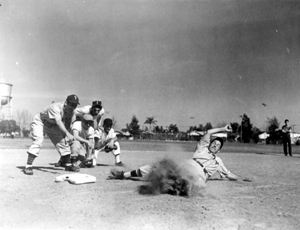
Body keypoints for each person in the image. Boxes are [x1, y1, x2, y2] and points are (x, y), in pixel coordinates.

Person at [108, 125, 252, 196]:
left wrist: (242, 179)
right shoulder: (202, 148)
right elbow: (208, 133)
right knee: (158, 167)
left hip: (200, 175)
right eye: (214, 143)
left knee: (200, 186)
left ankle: (174, 185)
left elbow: (228, 174)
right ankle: (124, 175)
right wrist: (223, 129)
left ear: (219, 150)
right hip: (186, 166)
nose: (214, 145)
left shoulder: (218, 162)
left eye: (217, 146)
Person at [23, 94, 80, 175]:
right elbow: (58, 121)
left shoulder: (72, 111)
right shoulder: (55, 107)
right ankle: (28, 166)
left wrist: (65, 135)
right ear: (66, 103)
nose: (73, 107)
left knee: (63, 142)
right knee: (38, 141)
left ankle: (68, 165)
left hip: (53, 125)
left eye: (75, 105)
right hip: (40, 122)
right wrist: (67, 133)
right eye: (72, 104)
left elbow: (67, 122)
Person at [54, 100, 105, 167]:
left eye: (98, 110)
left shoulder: (101, 112)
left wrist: (98, 126)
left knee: (89, 141)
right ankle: (62, 160)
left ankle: (87, 158)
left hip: (88, 122)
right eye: (95, 110)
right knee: (74, 141)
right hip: (80, 120)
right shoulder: (85, 110)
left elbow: (99, 118)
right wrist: (72, 123)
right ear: (92, 108)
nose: (96, 112)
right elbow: (74, 111)